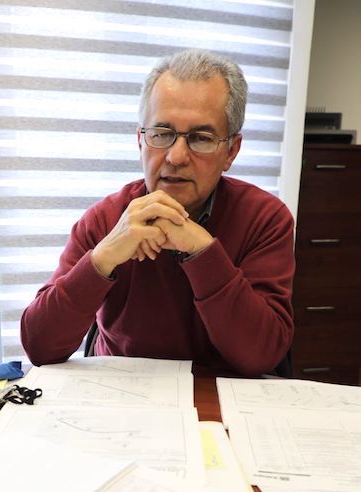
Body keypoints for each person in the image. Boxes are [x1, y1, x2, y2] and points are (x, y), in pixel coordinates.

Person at [20, 49, 295, 376]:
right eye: (162, 134)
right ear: (140, 141)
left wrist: (203, 251)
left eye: (201, 138)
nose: (176, 157)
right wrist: (103, 257)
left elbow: (261, 354)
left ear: (231, 151)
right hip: (120, 392)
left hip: (218, 396)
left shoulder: (265, 220)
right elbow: (39, 346)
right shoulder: (105, 219)